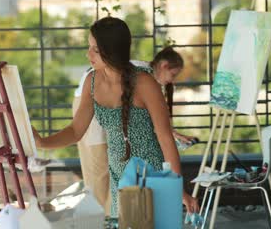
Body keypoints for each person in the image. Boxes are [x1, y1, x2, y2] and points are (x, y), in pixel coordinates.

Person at [32, 16, 199, 217]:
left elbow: (165, 139)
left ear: (111, 51)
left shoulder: (145, 83)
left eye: (95, 49)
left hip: (151, 175)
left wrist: (177, 187)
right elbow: (76, 131)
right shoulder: (91, 82)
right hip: (119, 176)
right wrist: (42, 142)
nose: (88, 54)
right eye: (89, 46)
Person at [72, 46, 197, 215]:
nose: (171, 81)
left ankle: (116, 218)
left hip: (111, 110)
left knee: (119, 173)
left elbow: (150, 123)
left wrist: (171, 132)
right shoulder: (142, 75)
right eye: (173, 75)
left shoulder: (147, 80)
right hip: (91, 102)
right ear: (164, 65)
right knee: (99, 174)